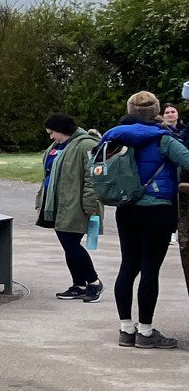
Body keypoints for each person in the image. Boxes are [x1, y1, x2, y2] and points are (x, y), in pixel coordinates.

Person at [99, 92, 189, 348]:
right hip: (158, 209)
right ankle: (146, 332)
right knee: (150, 268)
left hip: (126, 208)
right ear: (156, 111)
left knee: (128, 265)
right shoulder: (164, 139)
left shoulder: (114, 137)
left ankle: (126, 328)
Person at [37, 114, 101, 303]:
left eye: (52, 133)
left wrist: (90, 203)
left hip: (76, 204)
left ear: (63, 129)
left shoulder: (86, 145)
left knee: (71, 244)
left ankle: (94, 282)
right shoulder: (57, 146)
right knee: (68, 245)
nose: (51, 137)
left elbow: (92, 178)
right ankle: (79, 284)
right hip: (57, 204)